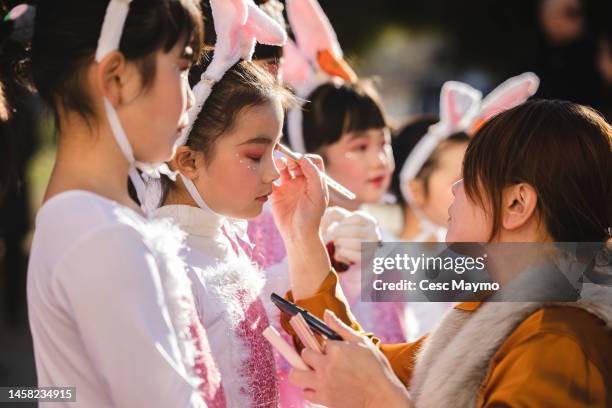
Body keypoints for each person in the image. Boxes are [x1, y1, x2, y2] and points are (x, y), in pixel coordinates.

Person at [284, 99, 612, 407]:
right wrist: (302, 235)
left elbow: (378, 379)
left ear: (517, 203)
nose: (456, 189)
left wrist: (377, 397)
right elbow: (370, 362)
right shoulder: (502, 307)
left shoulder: (558, 338)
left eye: (468, 177)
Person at [26, 1, 226, 406]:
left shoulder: (76, 216)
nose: (191, 101)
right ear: (116, 78)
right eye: (183, 69)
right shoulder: (103, 233)